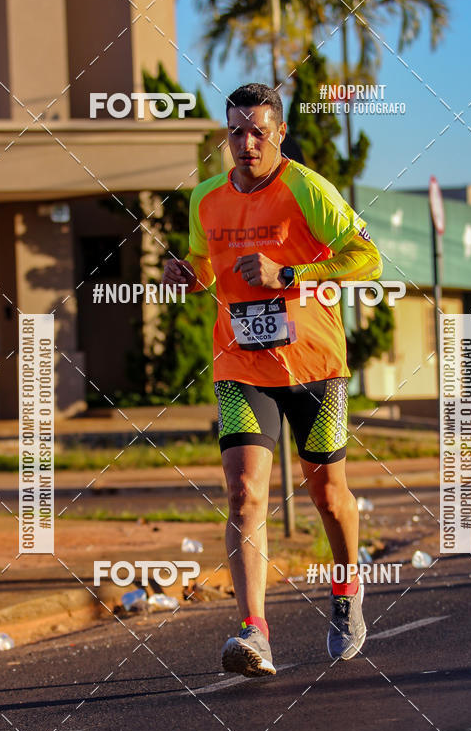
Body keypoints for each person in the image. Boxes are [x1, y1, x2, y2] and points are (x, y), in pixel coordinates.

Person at [163, 82, 382, 677]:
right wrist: (188, 274)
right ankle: (253, 631)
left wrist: (287, 271)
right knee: (242, 493)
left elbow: (367, 259)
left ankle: (346, 590)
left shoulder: (306, 189)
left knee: (329, 498)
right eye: (236, 132)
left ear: (279, 133)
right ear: (225, 137)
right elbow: (210, 272)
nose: (247, 143)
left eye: (259, 131)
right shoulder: (206, 198)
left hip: (315, 365)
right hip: (241, 365)